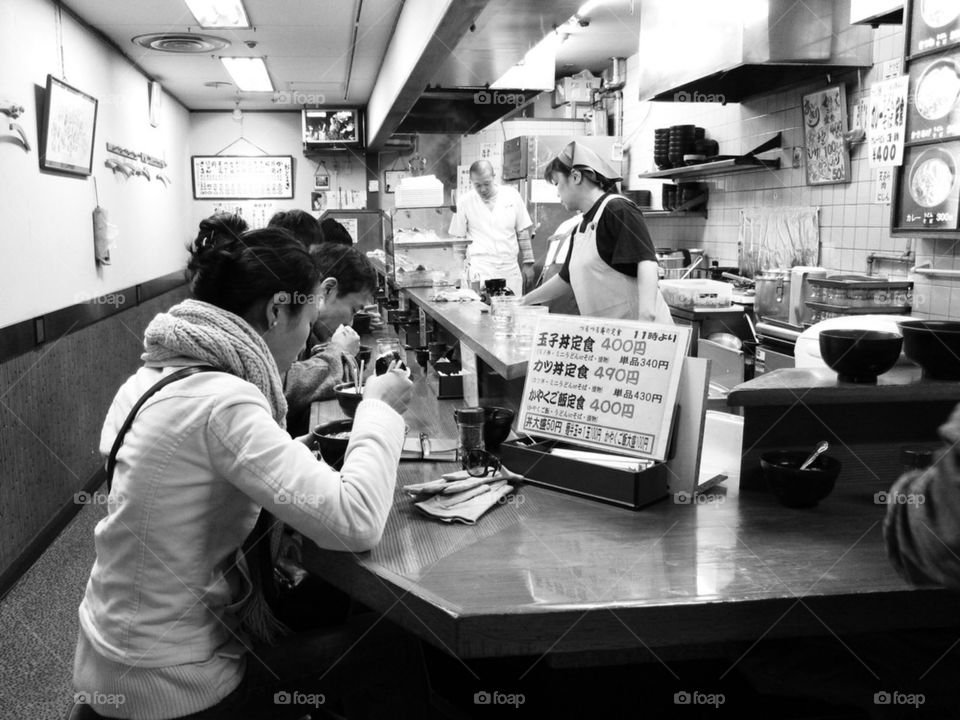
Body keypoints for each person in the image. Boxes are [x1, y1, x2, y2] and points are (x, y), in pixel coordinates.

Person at [73, 226, 416, 719]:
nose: (304, 345)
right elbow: (357, 519)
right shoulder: (223, 400)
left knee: (332, 602)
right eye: (307, 321)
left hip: (110, 656)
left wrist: (294, 453)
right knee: (393, 644)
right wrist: (378, 409)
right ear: (277, 310)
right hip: (171, 685)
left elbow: (202, 473)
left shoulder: (154, 373)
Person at [521, 141, 673, 324]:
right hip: (611, 337)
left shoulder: (617, 209)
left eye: (557, 183)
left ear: (576, 177)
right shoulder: (581, 226)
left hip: (641, 335)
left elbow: (647, 262)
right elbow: (565, 279)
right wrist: (524, 301)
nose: (557, 193)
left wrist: (645, 319)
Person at [285, 242, 379, 436]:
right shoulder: (286, 323)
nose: (350, 322)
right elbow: (286, 386)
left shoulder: (307, 328)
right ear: (327, 289)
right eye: (354, 310)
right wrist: (338, 351)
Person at [448, 159, 534, 295]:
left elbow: (522, 231)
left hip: (509, 269)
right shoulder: (464, 202)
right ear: (471, 181)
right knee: (481, 313)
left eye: (487, 184)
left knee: (511, 312)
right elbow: (459, 243)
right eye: (477, 185)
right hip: (481, 270)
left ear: (494, 176)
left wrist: (528, 263)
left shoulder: (512, 195)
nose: (483, 189)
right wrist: (459, 273)